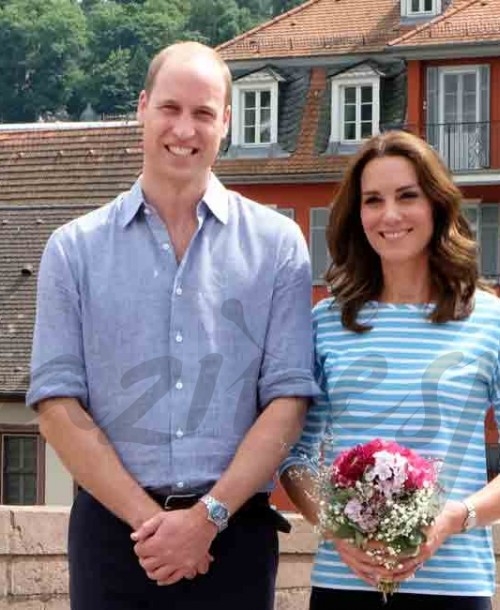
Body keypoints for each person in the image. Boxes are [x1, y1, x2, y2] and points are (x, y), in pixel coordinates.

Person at [27, 41, 318, 610]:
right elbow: (57, 406)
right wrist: (154, 524)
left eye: (204, 113)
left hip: (235, 536)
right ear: (142, 107)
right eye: (170, 108)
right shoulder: (73, 250)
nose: (185, 128)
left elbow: (287, 401)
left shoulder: (279, 245)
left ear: (226, 123)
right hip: (115, 538)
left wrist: (205, 520)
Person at [280, 130, 500, 610]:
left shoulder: (490, 320)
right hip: (344, 585)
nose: (390, 215)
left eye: (407, 196)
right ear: (358, 216)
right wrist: (337, 531)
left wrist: (453, 518)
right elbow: (294, 457)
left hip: (457, 588)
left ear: (437, 205)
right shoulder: (326, 323)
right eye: (373, 200)